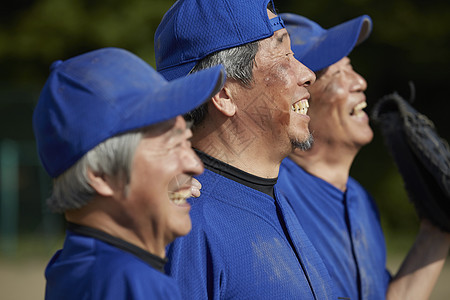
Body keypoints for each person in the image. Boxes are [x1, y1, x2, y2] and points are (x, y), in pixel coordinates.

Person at [154, 0, 336, 299]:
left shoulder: (274, 198)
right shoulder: (186, 226)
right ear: (223, 94)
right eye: (284, 55)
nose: (308, 74)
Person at [277, 13, 450, 300]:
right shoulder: (271, 192)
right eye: (336, 73)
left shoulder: (361, 201)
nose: (359, 81)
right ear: (297, 100)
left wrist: (438, 232)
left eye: (352, 68)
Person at [32, 47, 226, 300]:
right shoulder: (134, 285)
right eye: (171, 146)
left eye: (187, 143)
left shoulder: (75, 267)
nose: (195, 165)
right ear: (100, 174)